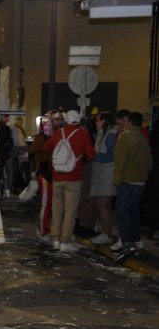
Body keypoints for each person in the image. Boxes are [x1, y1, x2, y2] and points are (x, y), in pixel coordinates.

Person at [43, 110, 96, 252]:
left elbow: (46, 147)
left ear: (66, 121)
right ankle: (65, 241)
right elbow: (91, 155)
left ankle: (55, 238)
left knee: (57, 208)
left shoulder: (58, 133)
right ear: (78, 121)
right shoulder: (83, 135)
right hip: (74, 178)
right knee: (70, 210)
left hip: (57, 177)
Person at [112, 111, 153, 262]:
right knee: (133, 211)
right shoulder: (142, 137)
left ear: (128, 122)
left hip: (128, 182)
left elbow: (120, 161)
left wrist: (118, 179)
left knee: (121, 213)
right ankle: (136, 241)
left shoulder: (125, 136)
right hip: (140, 182)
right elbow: (150, 162)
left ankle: (128, 244)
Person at [89, 112, 118, 245]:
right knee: (102, 204)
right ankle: (106, 232)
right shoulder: (103, 134)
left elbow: (113, 155)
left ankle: (107, 233)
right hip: (102, 173)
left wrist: (94, 156)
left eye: (98, 120)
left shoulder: (110, 136)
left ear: (104, 122)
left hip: (106, 174)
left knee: (102, 204)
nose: (95, 123)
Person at [29, 115, 54, 243]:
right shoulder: (41, 138)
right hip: (45, 173)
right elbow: (33, 154)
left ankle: (49, 230)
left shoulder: (56, 135)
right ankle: (44, 230)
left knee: (52, 204)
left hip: (53, 173)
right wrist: (48, 155)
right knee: (45, 203)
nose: (48, 126)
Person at [0, 114, 13, 197]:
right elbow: (10, 142)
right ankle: (2, 191)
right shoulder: (6, 128)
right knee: (3, 173)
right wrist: (6, 150)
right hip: (3, 154)